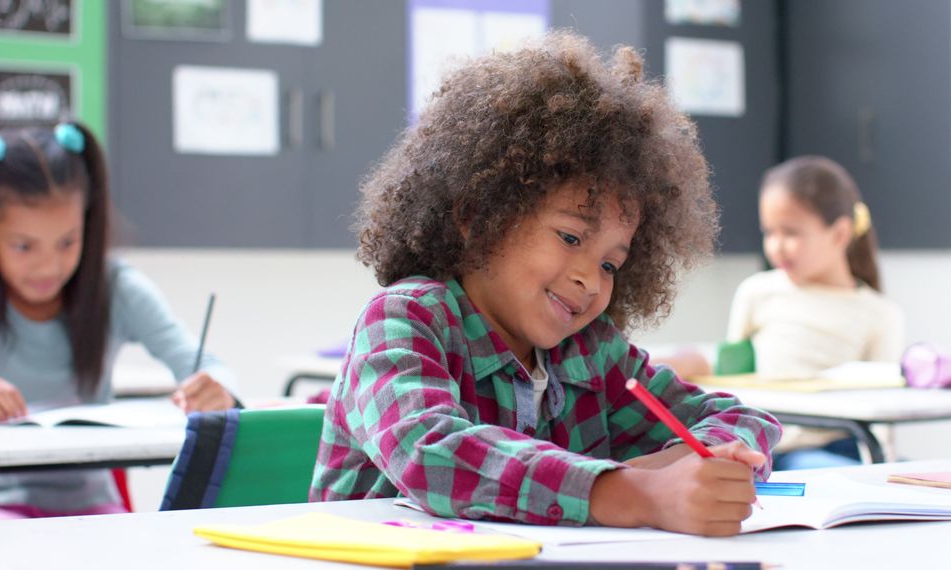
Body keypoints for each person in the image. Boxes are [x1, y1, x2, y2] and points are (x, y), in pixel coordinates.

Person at [310, 32, 781, 537]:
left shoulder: (590, 350)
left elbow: (741, 420)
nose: (589, 279)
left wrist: (690, 469)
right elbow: (432, 454)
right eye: (570, 237)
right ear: (479, 217)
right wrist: (630, 492)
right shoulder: (405, 320)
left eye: (610, 265)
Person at [0, 122, 239, 518]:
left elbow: (210, 367)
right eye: (23, 246)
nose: (48, 266)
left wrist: (216, 390)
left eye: (67, 242)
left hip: (89, 503)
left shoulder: (116, 288)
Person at [728, 155, 905, 468]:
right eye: (769, 232)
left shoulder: (880, 313)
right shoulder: (757, 293)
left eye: (791, 233)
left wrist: (886, 471)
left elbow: (883, 415)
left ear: (839, 234)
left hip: (852, 447)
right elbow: (731, 380)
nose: (776, 247)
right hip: (780, 452)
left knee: (928, 479)